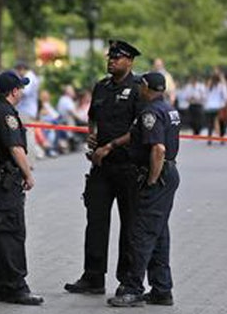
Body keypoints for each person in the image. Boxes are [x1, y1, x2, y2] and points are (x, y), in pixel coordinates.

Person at [64, 39, 143, 296]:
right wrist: (92, 135)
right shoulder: (101, 87)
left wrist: (109, 146)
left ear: (130, 61)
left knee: (130, 224)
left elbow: (141, 128)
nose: (111, 61)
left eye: (117, 57)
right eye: (110, 57)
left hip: (128, 165)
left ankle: (127, 279)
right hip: (101, 165)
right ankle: (93, 276)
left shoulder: (139, 89)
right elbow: (92, 117)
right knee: (95, 219)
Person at [107, 72, 181, 308]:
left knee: (141, 234)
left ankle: (133, 288)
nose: (139, 87)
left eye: (141, 84)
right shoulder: (168, 108)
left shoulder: (150, 112)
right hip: (169, 174)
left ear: (147, 87)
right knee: (158, 233)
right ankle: (161, 288)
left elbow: (157, 149)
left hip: (157, 176)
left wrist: (151, 180)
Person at [0, 70, 44, 306]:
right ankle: (15, 287)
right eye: (21, 88)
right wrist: (28, 174)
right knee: (11, 232)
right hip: (1, 180)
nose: (22, 92)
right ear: (14, 91)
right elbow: (15, 148)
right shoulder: (5, 113)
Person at [14, 62, 40, 163]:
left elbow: (25, 92)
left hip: (25, 110)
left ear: (21, 69)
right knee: (29, 134)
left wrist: (16, 91)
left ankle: (27, 161)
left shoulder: (29, 77)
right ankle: (29, 160)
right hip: (30, 109)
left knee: (27, 134)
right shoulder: (33, 77)